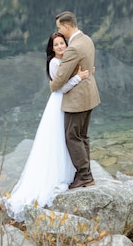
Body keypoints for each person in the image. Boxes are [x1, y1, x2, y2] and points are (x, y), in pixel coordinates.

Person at [6, 32, 90, 221]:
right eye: (57, 45)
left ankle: (71, 173)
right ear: (52, 48)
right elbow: (60, 87)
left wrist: (79, 74)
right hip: (59, 103)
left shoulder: (68, 58)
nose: (60, 47)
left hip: (66, 102)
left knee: (66, 137)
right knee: (59, 138)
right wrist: (78, 77)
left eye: (62, 43)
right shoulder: (54, 63)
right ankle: (58, 176)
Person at [50, 11, 100, 190]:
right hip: (89, 96)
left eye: (59, 28)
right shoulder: (87, 40)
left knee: (72, 136)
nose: (59, 31)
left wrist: (52, 84)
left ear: (67, 26)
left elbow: (60, 79)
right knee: (82, 136)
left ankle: (85, 175)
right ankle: (85, 172)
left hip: (77, 100)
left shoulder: (73, 48)